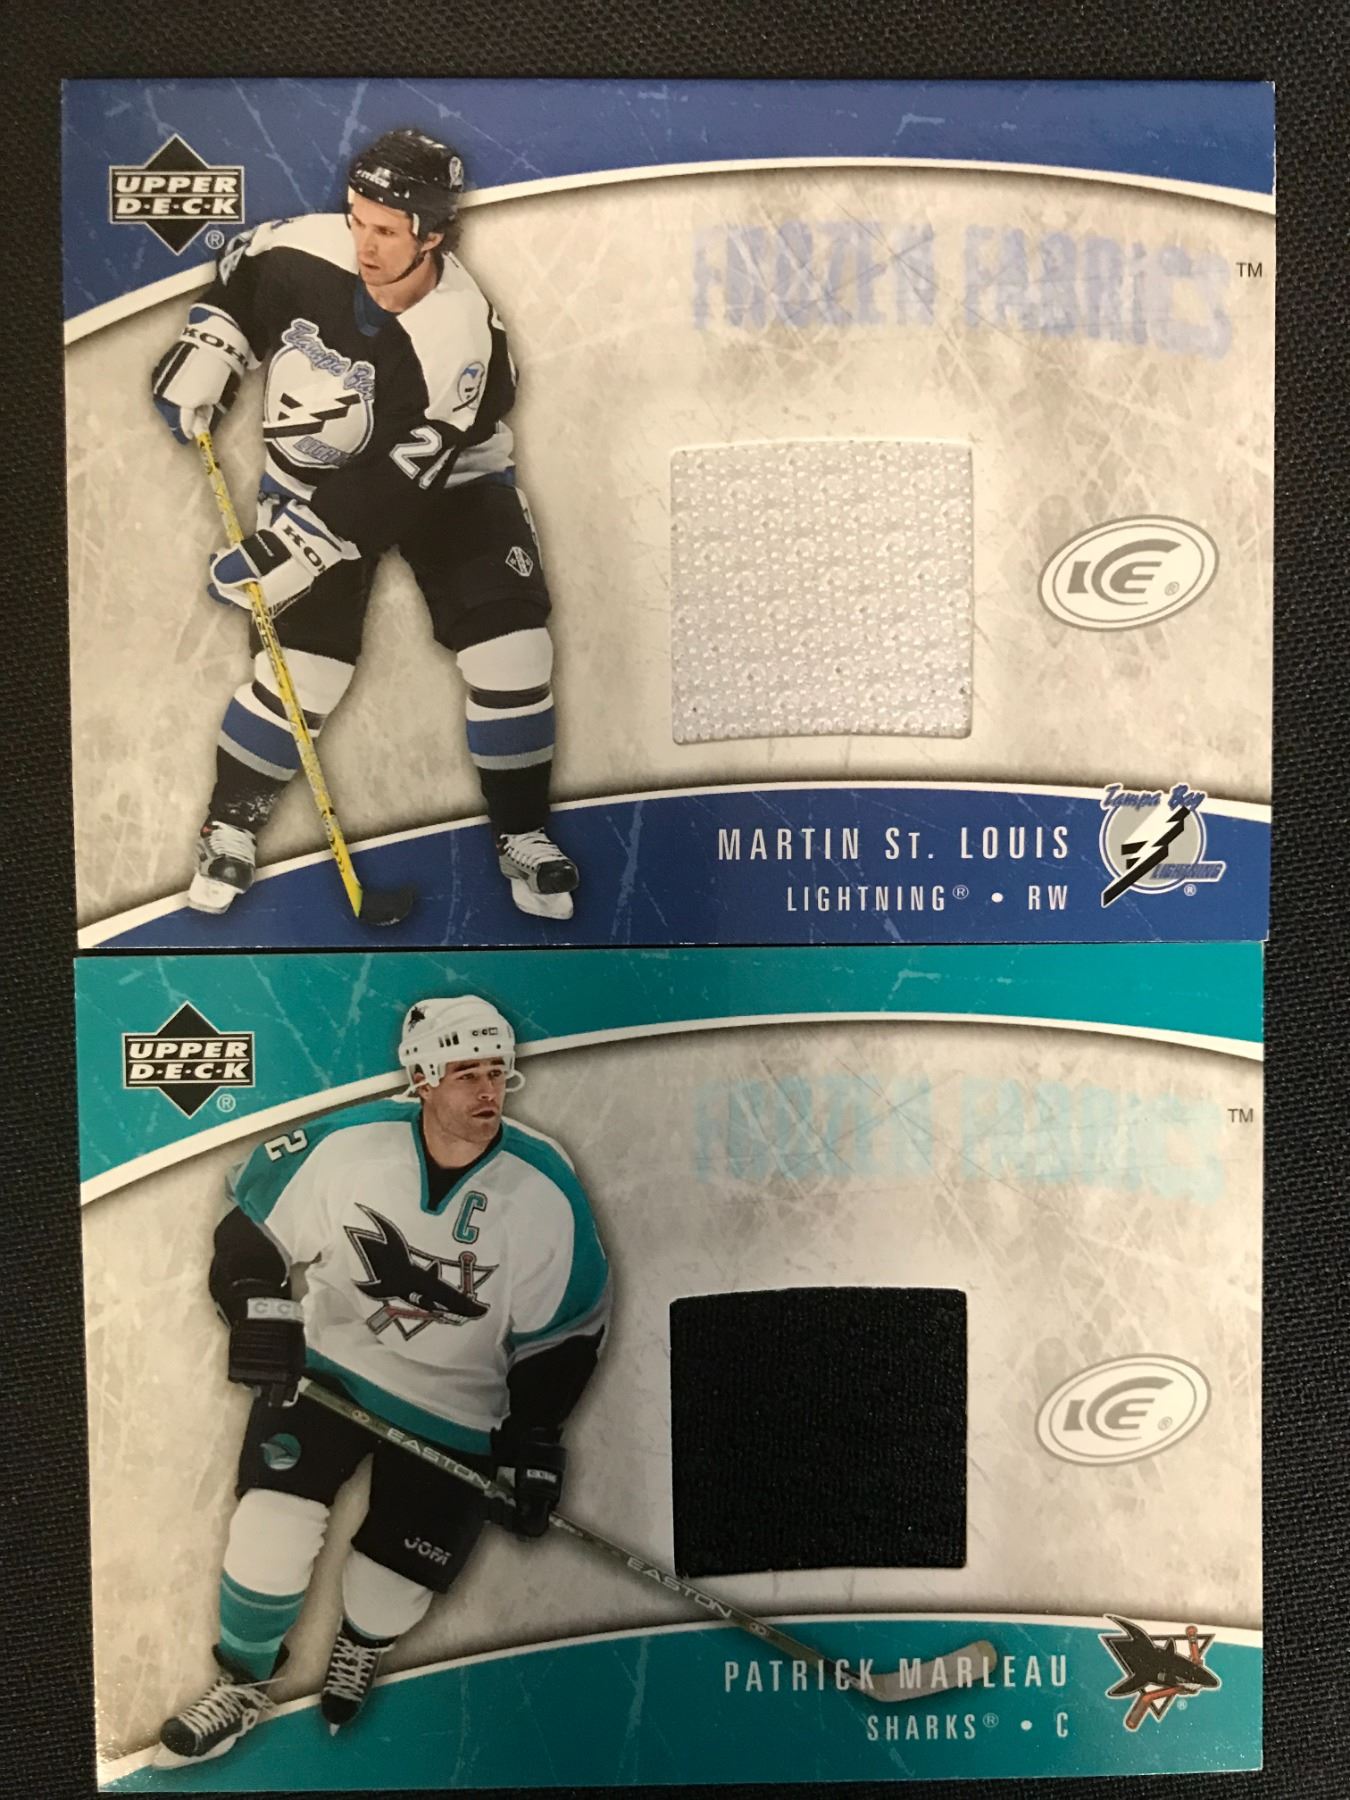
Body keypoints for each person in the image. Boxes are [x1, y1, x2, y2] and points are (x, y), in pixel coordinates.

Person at [156, 995, 611, 1767]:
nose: (489, 1091)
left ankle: (362, 1644)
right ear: (423, 1079)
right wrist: (261, 1309)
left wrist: (535, 1438)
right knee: (269, 1528)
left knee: (387, 1593)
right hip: (330, 1374)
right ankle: (242, 1683)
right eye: (466, 1073)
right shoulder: (349, 1144)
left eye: (497, 1072)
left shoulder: (544, 1188)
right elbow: (250, 1233)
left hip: (461, 1411)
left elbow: (568, 1329)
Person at [150, 127, 579, 922]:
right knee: (301, 676)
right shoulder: (303, 247)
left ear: (433, 234)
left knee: (514, 652)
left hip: (451, 481)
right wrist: (214, 340)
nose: (365, 243)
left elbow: (401, 482)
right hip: (316, 472)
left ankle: (523, 834)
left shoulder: (457, 335)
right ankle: (229, 827)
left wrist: (298, 545)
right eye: (357, 218)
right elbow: (245, 279)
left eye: (386, 229)